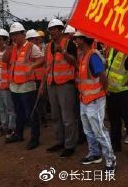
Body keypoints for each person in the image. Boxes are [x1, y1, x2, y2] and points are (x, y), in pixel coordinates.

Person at [74, 31, 116, 172]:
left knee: (99, 131)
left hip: (95, 100)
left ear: (83, 40)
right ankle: (94, 153)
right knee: (88, 130)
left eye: (77, 38)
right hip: (85, 99)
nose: (75, 41)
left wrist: (104, 91)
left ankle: (110, 159)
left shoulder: (92, 56)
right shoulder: (83, 56)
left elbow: (102, 76)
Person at [41, 19, 78, 158]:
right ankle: (59, 141)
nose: (53, 32)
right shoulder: (49, 46)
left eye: (56, 29)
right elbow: (47, 66)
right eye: (51, 29)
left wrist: (63, 51)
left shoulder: (69, 44)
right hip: (52, 84)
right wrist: (44, 84)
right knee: (56, 116)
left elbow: (74, 62)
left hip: (65, 84)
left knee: (68, 117)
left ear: (61, 30)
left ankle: (70, 145)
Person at [5, 22, 44, 150]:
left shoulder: (31, 47)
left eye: (16, 34)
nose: (14, 37)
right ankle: (18, 134)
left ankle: (35, 138)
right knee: (18, 112)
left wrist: (32, 66)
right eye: (12, 35)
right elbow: (5, 59)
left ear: (23, 34)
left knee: (31, 112)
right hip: (15, 85)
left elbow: (42, 59)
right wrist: (9, 47)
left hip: (27, 85)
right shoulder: (14, 48)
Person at [106, 48, 128, 160]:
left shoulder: (127, 52)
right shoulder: (111, 49)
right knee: (114, 120)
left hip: (125, 92)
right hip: (112, 92)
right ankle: (116, 144)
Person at [0, 29, 16, 138]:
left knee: (9, 108)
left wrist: (9, 83)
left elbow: (12, 69)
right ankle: (4, 126)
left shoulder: (10, 52)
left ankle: (11, 128)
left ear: (6, 40)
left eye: (0, 39)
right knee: (1, 108)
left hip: (6, 86)